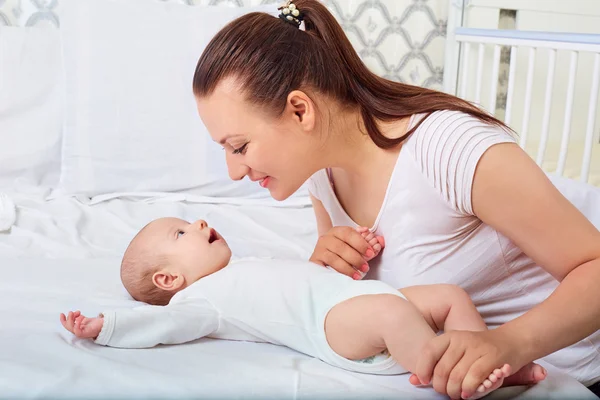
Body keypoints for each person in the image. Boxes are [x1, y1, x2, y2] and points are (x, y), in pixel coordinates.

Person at [190, 0, 600, 398]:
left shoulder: (448, 148)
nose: (233, 171)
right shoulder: (320, 175)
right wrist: (327, 268)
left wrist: (508, 343)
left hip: (568, 368)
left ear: (300, 111)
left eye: (239, 147)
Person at [60, 217, 546, 399]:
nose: (199, 222)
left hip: (351, 298)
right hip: (335, 326)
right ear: (170, 279)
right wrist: (107, 325)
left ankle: (492, 357)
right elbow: (165, 324)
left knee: (449, 296)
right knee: (396, 317)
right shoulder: (199, 300)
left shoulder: (243, 264)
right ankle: (452, 376)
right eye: (181, 233)